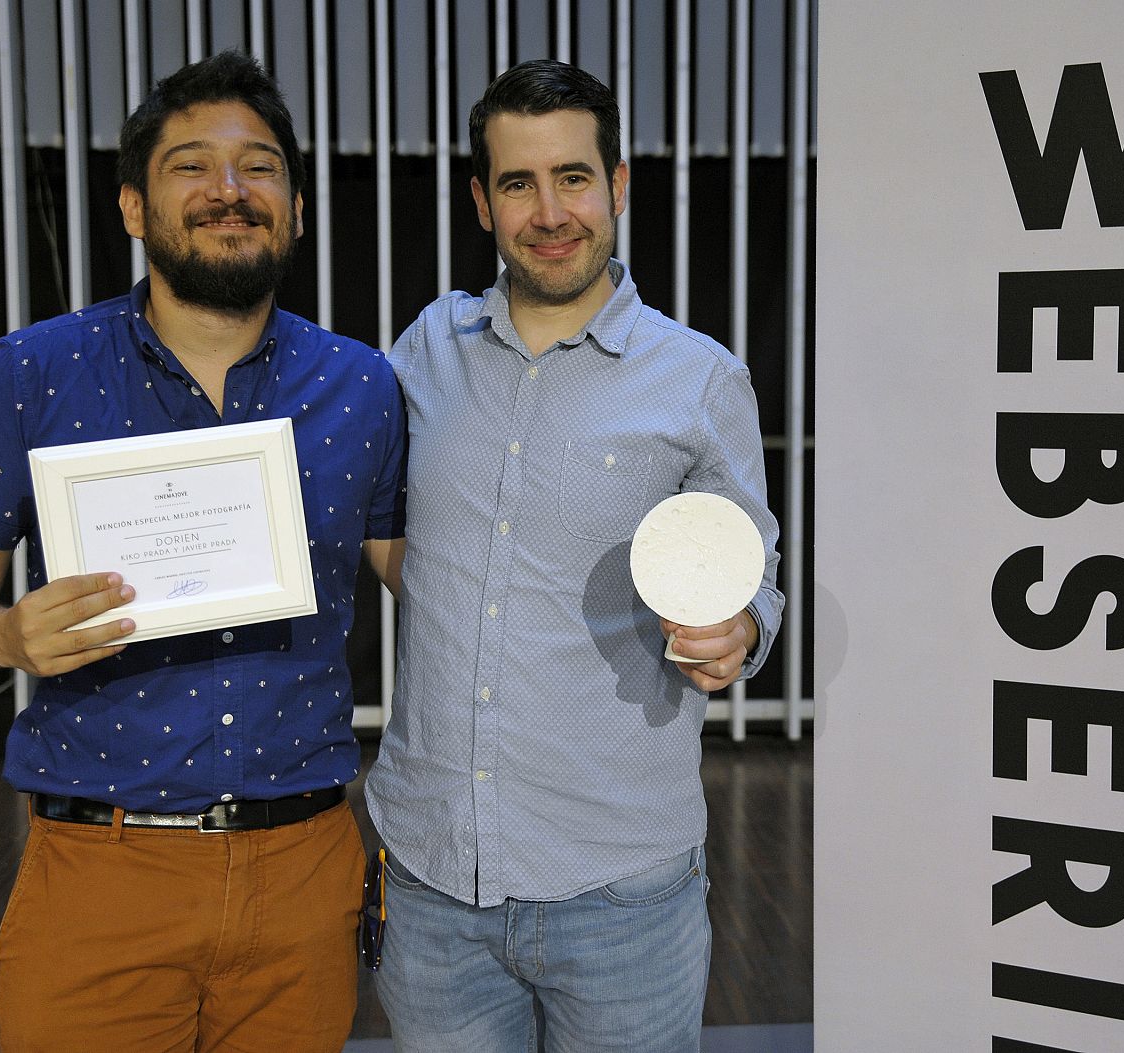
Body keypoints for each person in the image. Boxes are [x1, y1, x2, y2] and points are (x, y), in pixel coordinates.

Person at [0, 51, 405, 1053]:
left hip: (304, 873)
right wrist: (5, 633)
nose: (229, 191)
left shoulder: (363, 387)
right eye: (190, 168)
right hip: (100, 873)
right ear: (133, 207)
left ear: (296, 208)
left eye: (259, 167)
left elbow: (420, 571)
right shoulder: (36, 371)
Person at [363, 59, 783, 1053]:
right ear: (481, 201)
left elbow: (750, 572)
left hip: (620, 890)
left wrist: (739, 630)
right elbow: (376, 515)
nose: (549, 212)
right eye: (518, 183)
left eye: (573, 178)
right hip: (432, 887)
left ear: (619, 185)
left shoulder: (701, 380)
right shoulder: (424, 348)